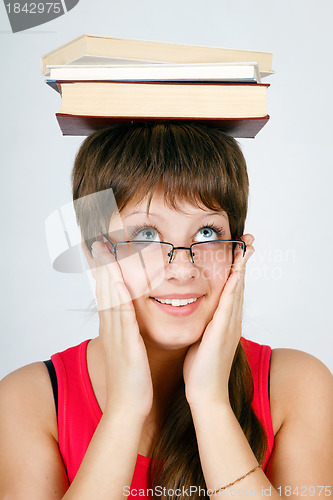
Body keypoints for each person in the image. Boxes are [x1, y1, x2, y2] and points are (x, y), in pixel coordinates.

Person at [0, 122, 332, 499]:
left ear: (237, 252)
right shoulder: (29, 400)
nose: (182, 269)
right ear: (96, 256)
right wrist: (125, 410)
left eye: (207, 233)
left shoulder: (296, 385)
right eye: (145, 235)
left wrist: (210, 403)